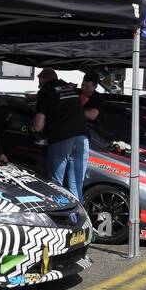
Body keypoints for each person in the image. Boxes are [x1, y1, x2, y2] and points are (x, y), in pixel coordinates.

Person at [32, 69, 101, 200]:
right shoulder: (69, 88)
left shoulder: (45, 91)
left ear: (43, 80)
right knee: (76, 184)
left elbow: (38, 126)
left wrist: (33, 126)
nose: (39, 86)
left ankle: (59, 216)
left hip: (62, 137)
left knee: (56, 184)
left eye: (39, 83)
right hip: (82, 137)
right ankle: (78, 218)